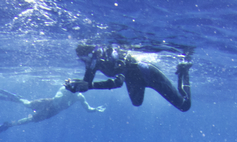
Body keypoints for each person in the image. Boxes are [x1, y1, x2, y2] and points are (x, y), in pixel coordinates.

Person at [64, 44, 194, 112]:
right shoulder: (93, 63)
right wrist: (75, 87)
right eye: (84, 60)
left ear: (96, 52)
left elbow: (118, 82)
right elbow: (86, 85)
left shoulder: (118, 55)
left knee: (184, 106)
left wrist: (89, 86)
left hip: (149, 74)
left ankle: (184, 69)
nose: (88, 63)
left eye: (88, 59)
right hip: (134, 80)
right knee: (136, 103)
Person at [0, 85, 105, 140]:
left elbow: (88, 109)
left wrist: (95, 109)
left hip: (53, 111)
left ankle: (8, 125)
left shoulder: (79, 97)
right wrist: (62, 99)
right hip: (49, 104)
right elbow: (56, 98)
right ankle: (16, 98)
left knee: (31, 119)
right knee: (28, 104)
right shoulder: (65, 89)